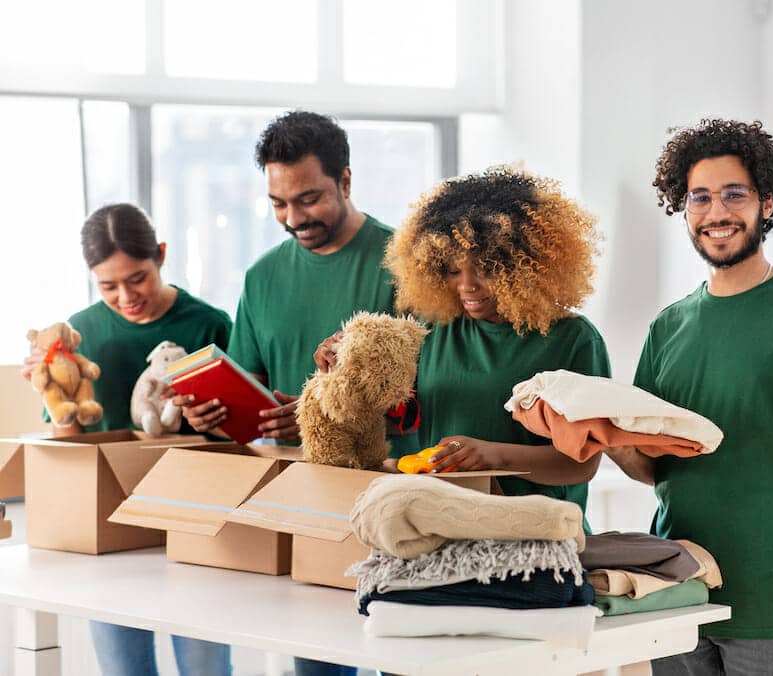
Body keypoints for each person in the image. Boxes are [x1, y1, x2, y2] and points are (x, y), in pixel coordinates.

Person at [607, 119, 773, 676]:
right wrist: (604, 438)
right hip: (681, 586)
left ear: (768, 204)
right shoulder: (669, 327)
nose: (717, 213)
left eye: (735, 194)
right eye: (700, 198)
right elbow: (655, 467)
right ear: (684, 209)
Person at [178, 110, 399, 676]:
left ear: (345, 181)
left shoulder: (402, 266)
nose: (293, 218)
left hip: (385, 496)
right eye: (279, 203)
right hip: (296, 500)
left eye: (309, 199)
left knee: (398, 655)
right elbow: (249, 394)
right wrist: (215, 416)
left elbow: (424, 390)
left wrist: (323, 417)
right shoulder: (260, 278)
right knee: (315, 666)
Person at [316, 167, 611, 513]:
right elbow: (393, 415)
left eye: (486, 269)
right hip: (442, 525)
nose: (467, 286)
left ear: (524, 264)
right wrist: (343, 364)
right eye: (454, 270)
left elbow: (581, 464)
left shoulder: (573, 339)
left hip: (536, 534)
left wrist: (492, 455)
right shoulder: (433, 330)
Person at [23, 203, 232, 674]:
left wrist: (207, 419)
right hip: (110, 524)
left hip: (191, 521)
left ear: (160, 255)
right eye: (108, 285)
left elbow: (234, 439)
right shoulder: (81, 332)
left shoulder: (208, 324)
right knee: (124, 669)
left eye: (137, 278)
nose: (125, 296)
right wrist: (53, 389)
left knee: (205, 667)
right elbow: (70, 439)